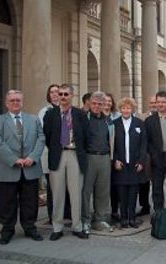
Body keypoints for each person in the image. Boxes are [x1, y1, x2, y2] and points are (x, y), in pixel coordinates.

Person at [0, 89, 45, 245]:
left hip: (30, 167)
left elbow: (41, 139)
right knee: (7, 202)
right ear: (7, 103)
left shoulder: (34, 120)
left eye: (18, 100)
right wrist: (14, 160)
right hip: (7, 168)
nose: (15, 103)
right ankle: (7, 230)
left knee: (30, 201)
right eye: (12, 100)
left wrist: (32, 158)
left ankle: (30, 228)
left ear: (22, 102)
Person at [43, 84, 89, 240]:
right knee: (57, 193)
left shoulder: (80, 114)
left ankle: (77, 226)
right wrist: (58, 148)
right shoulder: (50, 114)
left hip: (75, 155)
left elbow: (86, 136)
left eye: (66, 94)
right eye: (60, 94)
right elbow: (47, 137)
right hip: (58, 155)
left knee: (76, 192)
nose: (62, 97)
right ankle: (57, 227)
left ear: (72, 96)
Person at [38, 84, 71, 225]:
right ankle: (53, 216)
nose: (55, 94)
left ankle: (67, 214)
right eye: (52, 92)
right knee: (53, 188)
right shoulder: (45, 111)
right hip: (50, 154)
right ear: (49, 95)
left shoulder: (69, 111)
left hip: (68, 154)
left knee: (68, 186)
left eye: (58, 92)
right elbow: (44, 134)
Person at [82, 91, 114, 233]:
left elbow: (112, 139)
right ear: (89, 103)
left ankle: (100, 219)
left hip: (105, 157)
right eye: (94, 103)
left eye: (99, 104)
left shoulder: (108, 120)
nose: (96, 106)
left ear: (103, 105)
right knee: (86, 191)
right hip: (89, 157)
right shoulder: (84, 118)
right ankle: (85, 220)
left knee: (103, 191)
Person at [113, 97, 147, 228]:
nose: (126, 110)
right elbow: (112, 144)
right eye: (123, 108)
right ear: (120, 109)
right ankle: (123, 218)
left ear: (132, 109)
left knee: (133, 192)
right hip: (120, 164)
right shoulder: (114, 123)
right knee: (122, 193)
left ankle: (132, 218)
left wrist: (141, 162)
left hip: (134, 164)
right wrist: (115, 159)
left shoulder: (139, 123)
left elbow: (143, 144)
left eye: (128, 108)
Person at [136, 95, 157, 216]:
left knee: (157, 183)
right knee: (143, 182)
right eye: (152, 103)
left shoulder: (165, 117)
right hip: (146, 154)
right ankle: (145, 206)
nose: (154, 105)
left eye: (156, 102)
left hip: (159, 155)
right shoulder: (141, 117)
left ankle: (158, 207)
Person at [103, 93, 122, 222]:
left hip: (114, 155)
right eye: (105, 101)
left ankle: (115, 210)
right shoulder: (96, 116)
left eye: (110, 101)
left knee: (114, 186)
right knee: (102, 186)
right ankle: (102, 212)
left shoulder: (116, 117)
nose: (108, 103)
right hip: (101, 155)